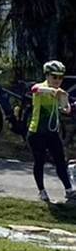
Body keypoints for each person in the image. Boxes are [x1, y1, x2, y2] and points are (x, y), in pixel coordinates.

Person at [29, 60, 74, 203]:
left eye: (60, 77)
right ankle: (41, 190)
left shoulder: (60, 93)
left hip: (52, 133)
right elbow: (34, 89)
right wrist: (53, 91)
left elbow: (66, 109)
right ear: (47, 76)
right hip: (37, 132)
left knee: (60, 161)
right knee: (39, 162)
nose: (58, 80)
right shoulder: (41, 88)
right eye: (54, 77)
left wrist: (64, 100)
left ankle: (68, 190)